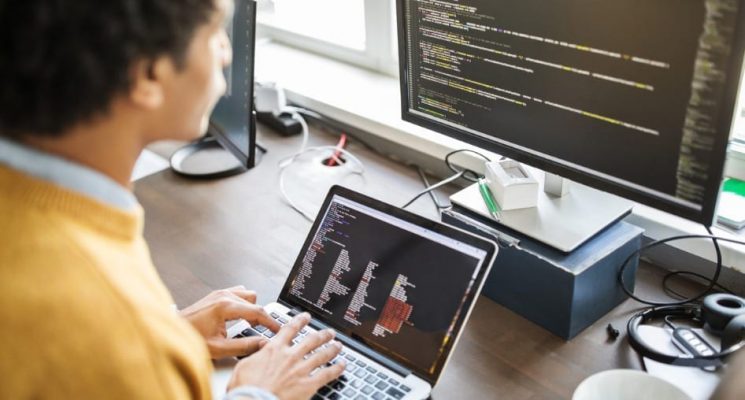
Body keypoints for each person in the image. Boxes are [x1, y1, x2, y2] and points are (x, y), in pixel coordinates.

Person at [0, 0, 344, 399]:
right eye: (215, 33)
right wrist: (259, 393)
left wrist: (169, 333)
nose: (227, 53)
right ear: (148, 74)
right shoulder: (105, 319)